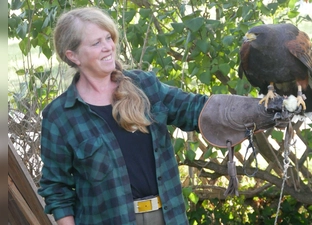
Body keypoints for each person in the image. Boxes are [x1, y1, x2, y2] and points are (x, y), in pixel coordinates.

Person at [38, 7, 294, 225]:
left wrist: (262, 110)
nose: (108, 48)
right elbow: (56, 188)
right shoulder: (60, 116)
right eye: (96, 43)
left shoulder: (144, 86)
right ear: (72, 56)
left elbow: (195, 109)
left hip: (167, 215)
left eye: (109, 38)